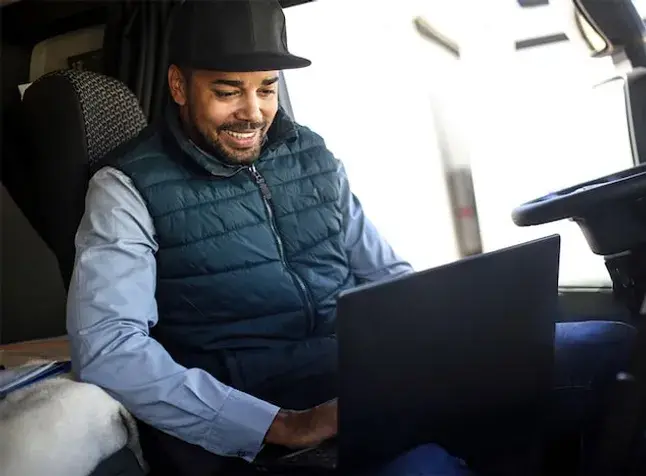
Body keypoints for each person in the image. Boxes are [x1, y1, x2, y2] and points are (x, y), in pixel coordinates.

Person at [66, 1, 636, 475]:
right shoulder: (125, 188)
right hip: (264, 399)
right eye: (227, 90)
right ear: (178, 86)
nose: (253, 112)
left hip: (366, 371)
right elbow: (110, 348)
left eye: (266, 88)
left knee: (613, 348)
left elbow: (386, 276)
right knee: (428, 467)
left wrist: (458, 337)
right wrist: (282, 424)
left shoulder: (311, 156)